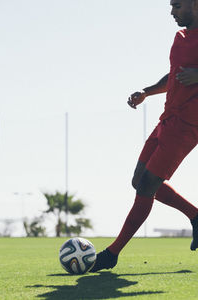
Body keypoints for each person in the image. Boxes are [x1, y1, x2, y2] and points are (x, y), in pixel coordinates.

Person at [90, 0, 198, 272]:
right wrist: (147, 92)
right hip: (167, 119)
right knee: (139, 179)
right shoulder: (181, 37)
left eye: (177, 6)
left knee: (146, 185)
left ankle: (112, 254)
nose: (172, 12)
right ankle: (195, 216)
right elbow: (176, 76)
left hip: (188, 125)